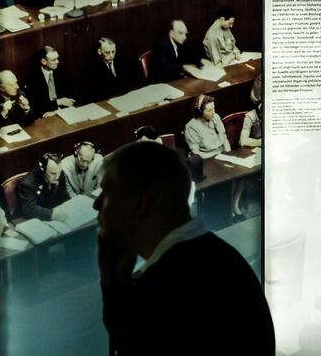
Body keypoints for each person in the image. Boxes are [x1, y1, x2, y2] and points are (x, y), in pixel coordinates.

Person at [94, 141, 275, 355]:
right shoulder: (221, 258)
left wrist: (113, 285)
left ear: (142, 202)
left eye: (107, 191)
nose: (97, 204)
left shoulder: (160, 290)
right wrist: (116, 281)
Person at [82, 37, 140, 103]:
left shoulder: (122, 61)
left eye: (113, 51)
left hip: (125, 99)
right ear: (99, 51)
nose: (111, 56)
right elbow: (98, 94)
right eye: (107, 52)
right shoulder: (93, 69)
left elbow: (131, 82)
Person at [16, 153, 71, 221]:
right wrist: (52, 214)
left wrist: (70, 207)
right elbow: (30, 210)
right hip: (35, 219)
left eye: (59, 172)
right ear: (43, 169)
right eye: (53, 173)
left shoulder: (58, 173)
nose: (57, 177)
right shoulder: (27, 184)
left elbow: (64, 196)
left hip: (55, 214)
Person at [25, 46, 75, 117]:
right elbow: (36, 106)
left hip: (63, 112)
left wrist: (57, 112)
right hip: (45, 115)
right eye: (53, 60)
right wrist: (59, 102)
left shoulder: (62, 72)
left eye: (57, 58)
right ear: (43, 61)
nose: (58, 61)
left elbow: (71, 97)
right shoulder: (33, 78)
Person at [184, 94, 230, 159]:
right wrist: (216, 158)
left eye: (213, 108)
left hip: (222, 155)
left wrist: (229, 154)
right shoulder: (191, 127)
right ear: (200, 112)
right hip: (206, 158)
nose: (213, 112)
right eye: (209, 110)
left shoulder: (216, 117)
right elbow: (196, 153)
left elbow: (224, 139)